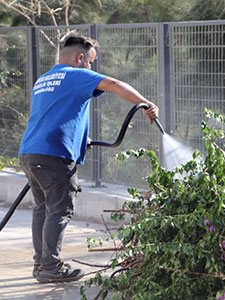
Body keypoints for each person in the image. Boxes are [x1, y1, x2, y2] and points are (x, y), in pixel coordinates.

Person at [18, 35, 159, 283]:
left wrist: (81, 139)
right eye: (91, 62)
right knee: (59, 209)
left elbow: (54, 115)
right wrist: (146, 104)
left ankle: (41, 263)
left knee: (43, 208)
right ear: (80, 57)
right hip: (53, 155)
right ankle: (50, 267)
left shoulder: (43, 80)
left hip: (30, 152)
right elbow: (114, 84)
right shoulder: (75, 75)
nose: (91, 68)